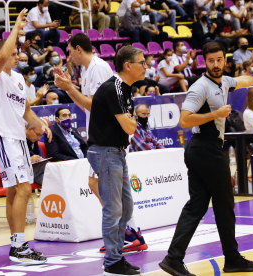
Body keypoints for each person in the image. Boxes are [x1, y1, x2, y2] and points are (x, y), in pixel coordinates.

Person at [158, 41, 253, 276]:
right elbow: (185, 120)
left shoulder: (224, 81)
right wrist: (216, 114)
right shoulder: (200, 87)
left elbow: (242, 81)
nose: (216, 64)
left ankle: (173, 258)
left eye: (219, 60)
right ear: (204, 62)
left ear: (225, 60)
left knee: (196, 205)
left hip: (201, 150)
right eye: (211, 61)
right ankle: (232, 259)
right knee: (224, 205)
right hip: (206, 149)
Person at [54, 35, 147, 253]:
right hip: (102, 140)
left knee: (105, 193)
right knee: (101, 189)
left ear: (79, 49)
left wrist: (69, 88)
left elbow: (96, 105)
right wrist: (70, 88)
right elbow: (90, 106)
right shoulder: (87, 71)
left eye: (69, 51)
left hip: (109, 141)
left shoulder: (98, 68)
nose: (68, 56)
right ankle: (127, 234)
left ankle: (127, 234)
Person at [0, 9, 51, 264]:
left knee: (15, 190)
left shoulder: (20, 79)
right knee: (23, 188)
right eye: (11, 54)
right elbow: (1, 54)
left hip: (19, 139)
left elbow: (25, 110)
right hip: (3, 138)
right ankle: (21, 246)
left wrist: (41, 126)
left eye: (16, 54)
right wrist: (15, 29)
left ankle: (15, 243)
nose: (15, 57)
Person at [87, 45, 145, 276]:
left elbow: (130, 124)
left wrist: (131, 119)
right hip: (106, 151)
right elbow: (131, 125)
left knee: (126, 207)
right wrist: (132, 119)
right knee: (113, 209)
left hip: (116, 151)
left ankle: (117, 255)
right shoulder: (115, 89)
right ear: (128, 65)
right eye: (142, 62)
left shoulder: (126, 89)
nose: (145, 67)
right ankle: (112, 262)